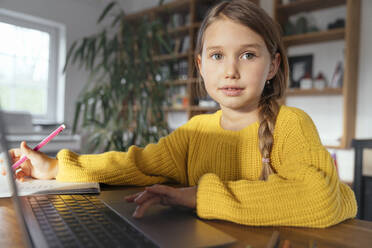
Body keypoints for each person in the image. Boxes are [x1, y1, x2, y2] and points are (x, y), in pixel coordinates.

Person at [2, 0, 356, 227]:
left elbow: (322, 198)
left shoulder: (290, 124)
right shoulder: (195, 131)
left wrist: (200, 195)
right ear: (200, 66)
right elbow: (133, 165)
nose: (230, 70)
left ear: (273, 65)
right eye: (217, 56)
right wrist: (55, 166)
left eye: (248, 55)